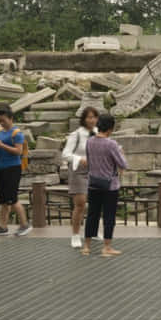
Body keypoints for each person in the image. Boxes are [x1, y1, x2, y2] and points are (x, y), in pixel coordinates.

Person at [82, 114, 127, 257]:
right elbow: (123, 164)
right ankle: (107, 247)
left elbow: (89, 161)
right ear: (110, 128)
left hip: (93, 183)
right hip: (110, 185)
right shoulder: (111, 144)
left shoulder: (89, 141)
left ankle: (86, 246)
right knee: (109, 216)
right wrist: (121, 152)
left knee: (92, 215)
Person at [0, 107, 31, 237]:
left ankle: (24, 224)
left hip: (12, 168)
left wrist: (2, 145)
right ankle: (3, 226)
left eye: (3, 120)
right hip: (0, 167)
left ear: (11, 118)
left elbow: (18, 151)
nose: (1, 123)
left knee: (12, 198)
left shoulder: (17, 133)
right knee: (3, 200)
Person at [62, 106, 99, 248]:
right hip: (79, 171)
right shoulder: (76, 135)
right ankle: (75, 235)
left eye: (94, 117)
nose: (92, 120)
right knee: (80, 204)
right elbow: (65, 154)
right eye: (89, 117)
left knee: (96, 203)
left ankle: (93, 231)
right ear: (84, 119)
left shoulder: (98, 133)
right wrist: (80, 159)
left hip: (95, 171)